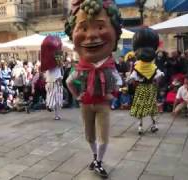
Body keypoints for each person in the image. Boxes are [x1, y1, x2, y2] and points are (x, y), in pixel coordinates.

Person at [65, 0, 122, 178]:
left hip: (103, 104)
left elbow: (118, 81)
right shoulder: (81, 68)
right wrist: (77, 96)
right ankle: (95, 157)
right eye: (82, 28)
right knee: (89, 135)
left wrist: (112, 94)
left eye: (100, 27)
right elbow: (68, 81)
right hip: (86, 103)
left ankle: (98, 162)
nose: (91, 35)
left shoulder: (109, 66)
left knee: (103, 136)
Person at [128, 28, 164, 135]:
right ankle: (152, 125)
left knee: (141, 108)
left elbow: (132, 78)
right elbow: (160, 76)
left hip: (142, 88)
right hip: (150, 88)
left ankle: (141, 127)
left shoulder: (137, 67)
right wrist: (155, 82)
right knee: (151, 107)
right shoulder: (153, 67)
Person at [41, 35, 64, 120]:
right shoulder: (55, 61)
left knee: (54, 96)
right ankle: (52, 109)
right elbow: (60, 65)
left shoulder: (47, 62)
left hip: (52, 80)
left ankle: (52, 108)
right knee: (56, 97)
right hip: (55, 80)